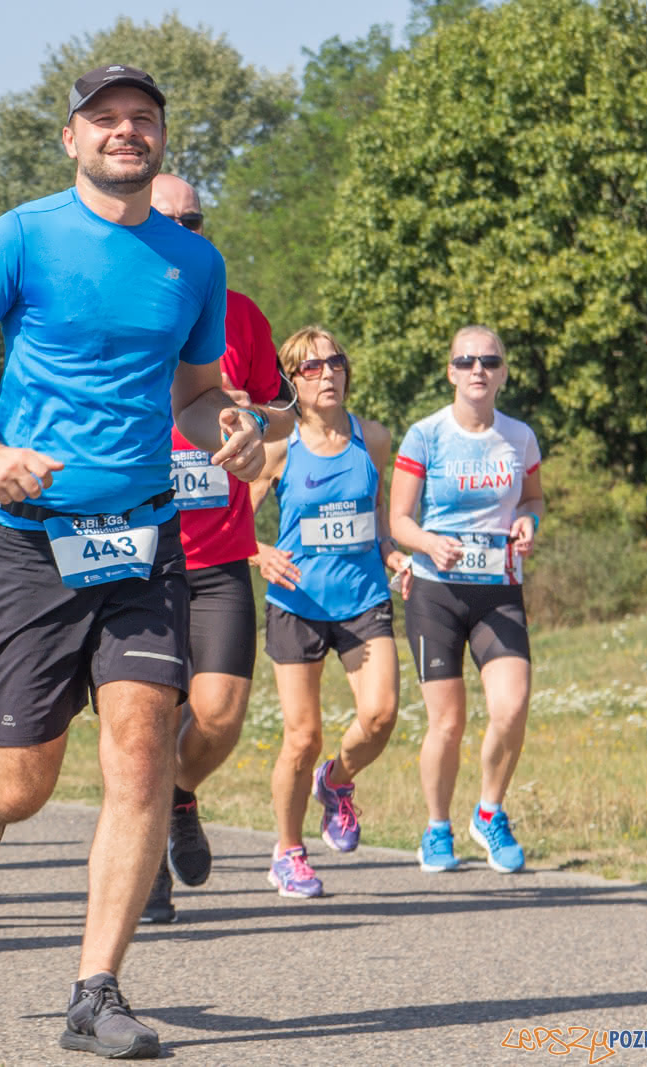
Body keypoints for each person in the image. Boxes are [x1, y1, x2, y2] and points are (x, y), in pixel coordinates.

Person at [0, 66, 267, 1059]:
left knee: (144, 743)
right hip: (31, 539)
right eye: (104, 120)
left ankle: (95, 988)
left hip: (143, 538)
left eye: (142, 119)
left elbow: (194, 393)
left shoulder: (192, 265)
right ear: (71, 138)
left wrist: (226, 425)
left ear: (161, 140)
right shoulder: (21, 236)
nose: (124, 132)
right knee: (23, 772)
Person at [143, 173, 294, 923]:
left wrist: (248, 418)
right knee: (144, 718)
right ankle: (145, 874)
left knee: (221, 712)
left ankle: (177, 796)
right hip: (135, 554)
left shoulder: (239, 315)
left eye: (193, 220)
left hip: (220, 554)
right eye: (166, 218)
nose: (182, 231)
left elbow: (287, 418)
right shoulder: (116, 304)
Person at [248, 327, 409, 897]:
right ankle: (288, 852)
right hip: (297, 602)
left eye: (334, 363)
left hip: (364, 598)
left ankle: (336, 783)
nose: (327, 374)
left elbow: (377, 509)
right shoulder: (275, 447)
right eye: (311, 368)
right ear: (292, 381)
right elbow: (234, 519)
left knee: (381, 715)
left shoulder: (377, 438)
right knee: (301, 735)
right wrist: (259, 553)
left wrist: (392, 552)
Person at [389, 325, 544, 875]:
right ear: (450, 371)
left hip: (499, 589)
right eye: (465, 361)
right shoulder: (425, 436)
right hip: (437, 591)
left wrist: (527, 522)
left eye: (489, 360)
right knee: (447, 724)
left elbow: (532, 499)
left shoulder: (519, 437)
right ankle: (436, 828)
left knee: (511, 707)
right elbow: (399, 521)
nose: (477, 369)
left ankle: (489, 812)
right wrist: (430, 542)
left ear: (503, 371)